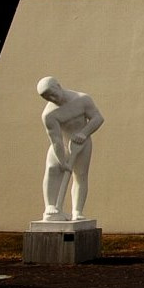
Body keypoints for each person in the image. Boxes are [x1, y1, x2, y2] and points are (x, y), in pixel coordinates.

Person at [38, 77, 104, 221]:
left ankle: (77, 211)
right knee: (52, 169)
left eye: (52, 93)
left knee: (80, 175)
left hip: (82, 142)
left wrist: (84, 133)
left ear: (58, 86)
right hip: (61, 145)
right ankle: (51, 207)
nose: (51, 98)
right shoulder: (49, 115)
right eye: (46, 97)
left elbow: (98, 118)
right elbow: (56, 140)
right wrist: (63, 162)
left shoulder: (83, 99)